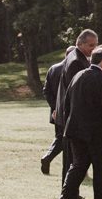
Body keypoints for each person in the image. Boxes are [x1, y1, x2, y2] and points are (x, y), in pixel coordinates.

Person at [56, 46, 102, 199]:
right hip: (98, 131)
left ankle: (65, 196)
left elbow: (67, 103)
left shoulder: (78, 75)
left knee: (78, 164)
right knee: (101, 167)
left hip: (76, 129)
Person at [41, 30, 98, 176]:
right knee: (72, 159)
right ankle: (68, 189)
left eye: (95, 45)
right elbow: (75, 94)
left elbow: (51, 91)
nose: (94, 49)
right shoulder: (76, 62)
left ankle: (69, 189)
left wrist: (56, 108)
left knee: (70, 156)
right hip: (72, 117)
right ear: (80, 43)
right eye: (91, 45)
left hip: (64, 114)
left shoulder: (72, 59)